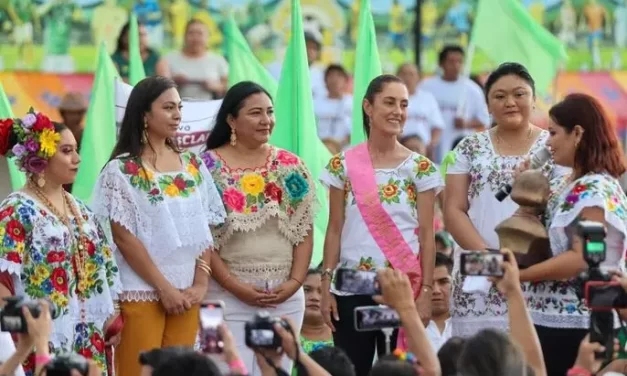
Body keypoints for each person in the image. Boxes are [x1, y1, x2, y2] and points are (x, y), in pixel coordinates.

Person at [92, 76, 226, 376]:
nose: (177, 114)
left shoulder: (193, 165)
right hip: (142, 291)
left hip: (188, 293)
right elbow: (124, 239)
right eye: (168, 107)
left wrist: (201, 283)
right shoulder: (122, 170)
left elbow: (204, 228)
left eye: (179, 107)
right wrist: (164, 288)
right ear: (144, 114)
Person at [320, 74, 442, 375]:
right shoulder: (342, 164)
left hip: (403, 288)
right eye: (389, 102)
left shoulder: (421, 167)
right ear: (367, 107)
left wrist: (425, 291)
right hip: (351, 289)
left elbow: (428, 235)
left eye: (403, 104)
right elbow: (334, 228)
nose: (397, 111)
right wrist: (326, 286)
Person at [200, 81, 315, 375]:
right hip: (220, 297)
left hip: (285, 298)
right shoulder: (205, 167)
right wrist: (234, 286)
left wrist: (294, 283)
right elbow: (201, 239)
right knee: (220, 370)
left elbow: (304, 228)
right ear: (231, 120)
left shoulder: (290, 165)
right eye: (255, 113)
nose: (266, 120)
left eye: (270, 112)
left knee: (278, 371)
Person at [444, 62, 563, 338]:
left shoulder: (554, 147)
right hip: (478, 279)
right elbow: (453, 211)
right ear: (487, 105)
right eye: (499, 96)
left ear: (533, 100)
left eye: (519, 94)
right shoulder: (469, 147)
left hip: (535, 277)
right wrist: (490, 261)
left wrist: (521, 269)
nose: (510, 102)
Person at [0, 110, 121, 375]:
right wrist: (12, 344)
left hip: (87, 337)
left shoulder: (82, 210)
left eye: (76, 150)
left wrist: (112, 316)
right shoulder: (17, 210)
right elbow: (3, 285)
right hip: (40, 338)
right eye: (66, 151)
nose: (77, 159)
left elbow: (105, 267)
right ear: (40, 158)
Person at [519, 93, 627, 376]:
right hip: (546, 318)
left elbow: (582, 259)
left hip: (581, 323)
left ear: (577, 133)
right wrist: (525, 188)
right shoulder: (562, 183)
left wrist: (518, 277)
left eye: (553, 132)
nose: (548, 142)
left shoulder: (595, 189)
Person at [420, 45, 489, 162]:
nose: (456, 65)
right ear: (441, 64)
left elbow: (484, 120)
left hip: (460, 150)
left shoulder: (472, 89)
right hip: (431, 149)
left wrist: (466, 123)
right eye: (451, 61)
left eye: (459, 62)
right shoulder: (426, 86)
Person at [166, 19, 228, 100]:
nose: (195, 38)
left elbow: (228, 87)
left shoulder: (218, 60)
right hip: (178, 108)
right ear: (184, 36)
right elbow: (160, 89)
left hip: (211, 107)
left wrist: (216, 87)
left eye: (200, 33)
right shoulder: (169, 59)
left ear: (208, 37)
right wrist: (173, 82)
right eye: (191, 33)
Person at [299, 269, 334, 354]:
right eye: (306, 290)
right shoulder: (283, 335)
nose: (314, 297)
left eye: (322, 292)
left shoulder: (344, 336)